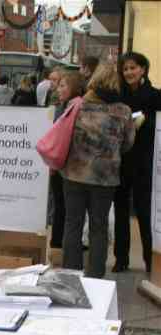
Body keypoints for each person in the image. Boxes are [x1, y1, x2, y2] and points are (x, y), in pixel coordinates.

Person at [60, 64, 135, 278]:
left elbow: (63, 134)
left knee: (72, 223)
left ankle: (71, 273)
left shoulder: (77, 105)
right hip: (106, 177)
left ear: (94, 80)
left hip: (74, 173)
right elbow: (128, 144)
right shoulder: (124, 111)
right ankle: (95, 275)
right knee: (99, 227)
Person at [113, 51, 161, 273]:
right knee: (121, 211)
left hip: (146, 163)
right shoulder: (118, 96)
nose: (129, 72)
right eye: (125, 69)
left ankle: (150, 260)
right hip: (121, 162)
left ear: (143, 69)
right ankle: (121, 259)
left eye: (133, 68)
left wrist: (145, 121)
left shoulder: (155, 96)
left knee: (144, 212)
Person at [50, 72, 85, 249]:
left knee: (64, 208)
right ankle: (58, 245)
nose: (59, 89)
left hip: (65, 164)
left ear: (74, 87)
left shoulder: (75, 106)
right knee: (61, 207)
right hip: (61, 163)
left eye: (63, 85)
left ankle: (60, 246)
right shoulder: (64, 105)